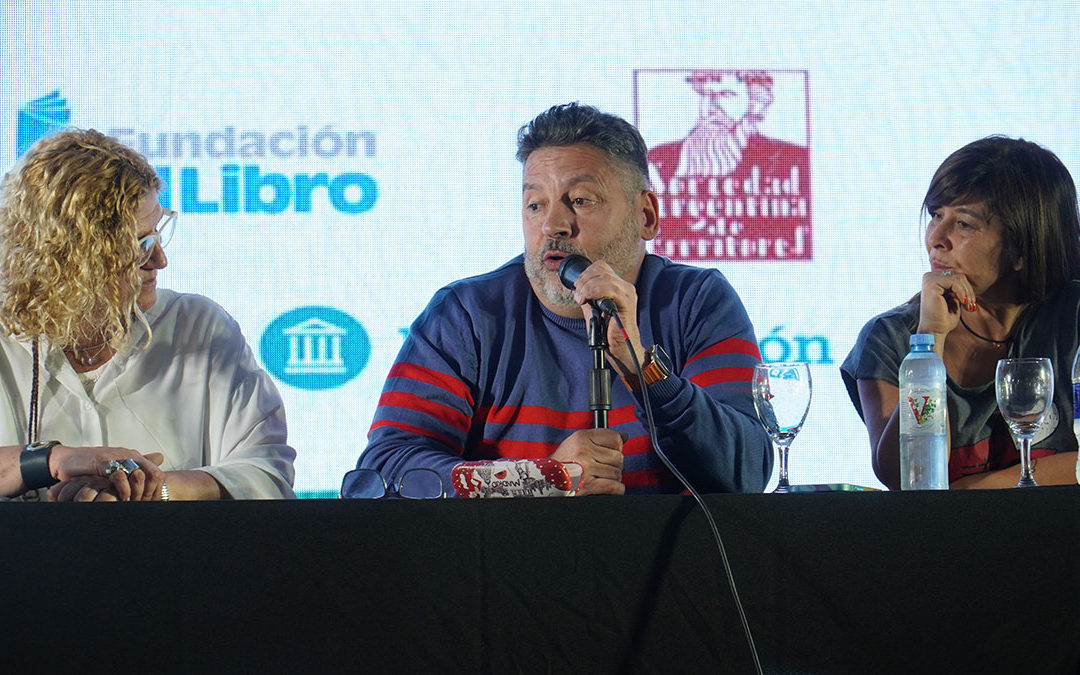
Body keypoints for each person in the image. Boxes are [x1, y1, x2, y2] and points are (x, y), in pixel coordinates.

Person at [359, 102, 772, 496]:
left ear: (645, 216)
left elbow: (747, 471)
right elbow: (385, 467)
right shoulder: (466, 314)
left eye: (580, 201)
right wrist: (540, 478)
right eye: (535, 205)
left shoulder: (695, 302)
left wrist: (644, 370)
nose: (553, 226)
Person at [0, 129, 296, 501]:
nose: (159, 260)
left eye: (156, 235)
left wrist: (153, 490)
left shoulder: (199, 328)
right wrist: (51, 462)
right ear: (66, 256)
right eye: (138, 245)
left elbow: (268, 474)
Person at [842, 136, 1080, 489]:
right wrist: (930, 341)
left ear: (1022, 247)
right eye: (936, 215)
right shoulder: (890, 337)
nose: (936, 237)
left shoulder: (1072, 319)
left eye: (964, 224)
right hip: (946, 543)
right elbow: (904, 477)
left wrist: (972, 492)